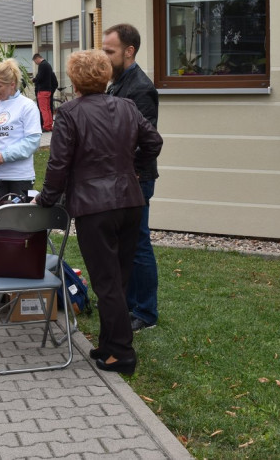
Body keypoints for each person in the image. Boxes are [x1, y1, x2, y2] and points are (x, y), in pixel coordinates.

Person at [35, 50, 162, 376]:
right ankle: (108, 345)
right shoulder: (126, 106)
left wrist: (47, 198)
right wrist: (132, 167)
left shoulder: (70, 112)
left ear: (75, 78)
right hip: (130, 203)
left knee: (107, 282)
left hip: (95, 208)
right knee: (117, 280)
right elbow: (154, 141)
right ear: (105, 75)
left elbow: (59, 162)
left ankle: (122, 354)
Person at [103, 23, 161, 333]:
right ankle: (126, 302)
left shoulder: (141, 87)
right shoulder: (116, 84)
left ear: (129, 51)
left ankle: (146, 312)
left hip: (136, 179)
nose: (105, 57)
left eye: (109, 51)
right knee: (123, 244)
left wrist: (131, 171)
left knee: (138, 243)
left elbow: (146, 139)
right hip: (121, 178)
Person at [0, 58, 42, 212]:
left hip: (21, 176)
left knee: (22, 219)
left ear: (12, 84)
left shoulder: (27, 106)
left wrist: (6, 155)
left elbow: (33, 141)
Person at [31, 53, 59, 132]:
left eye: (35, 61)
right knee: (48, 109)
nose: (36, 63)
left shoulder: (42, 65)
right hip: (48, 90)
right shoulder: (48, 65)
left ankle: (46, 126)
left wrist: (34, 80)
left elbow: (39, 77)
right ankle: (50, 125)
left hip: (42, 90)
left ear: (37, 59)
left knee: (43, 109)